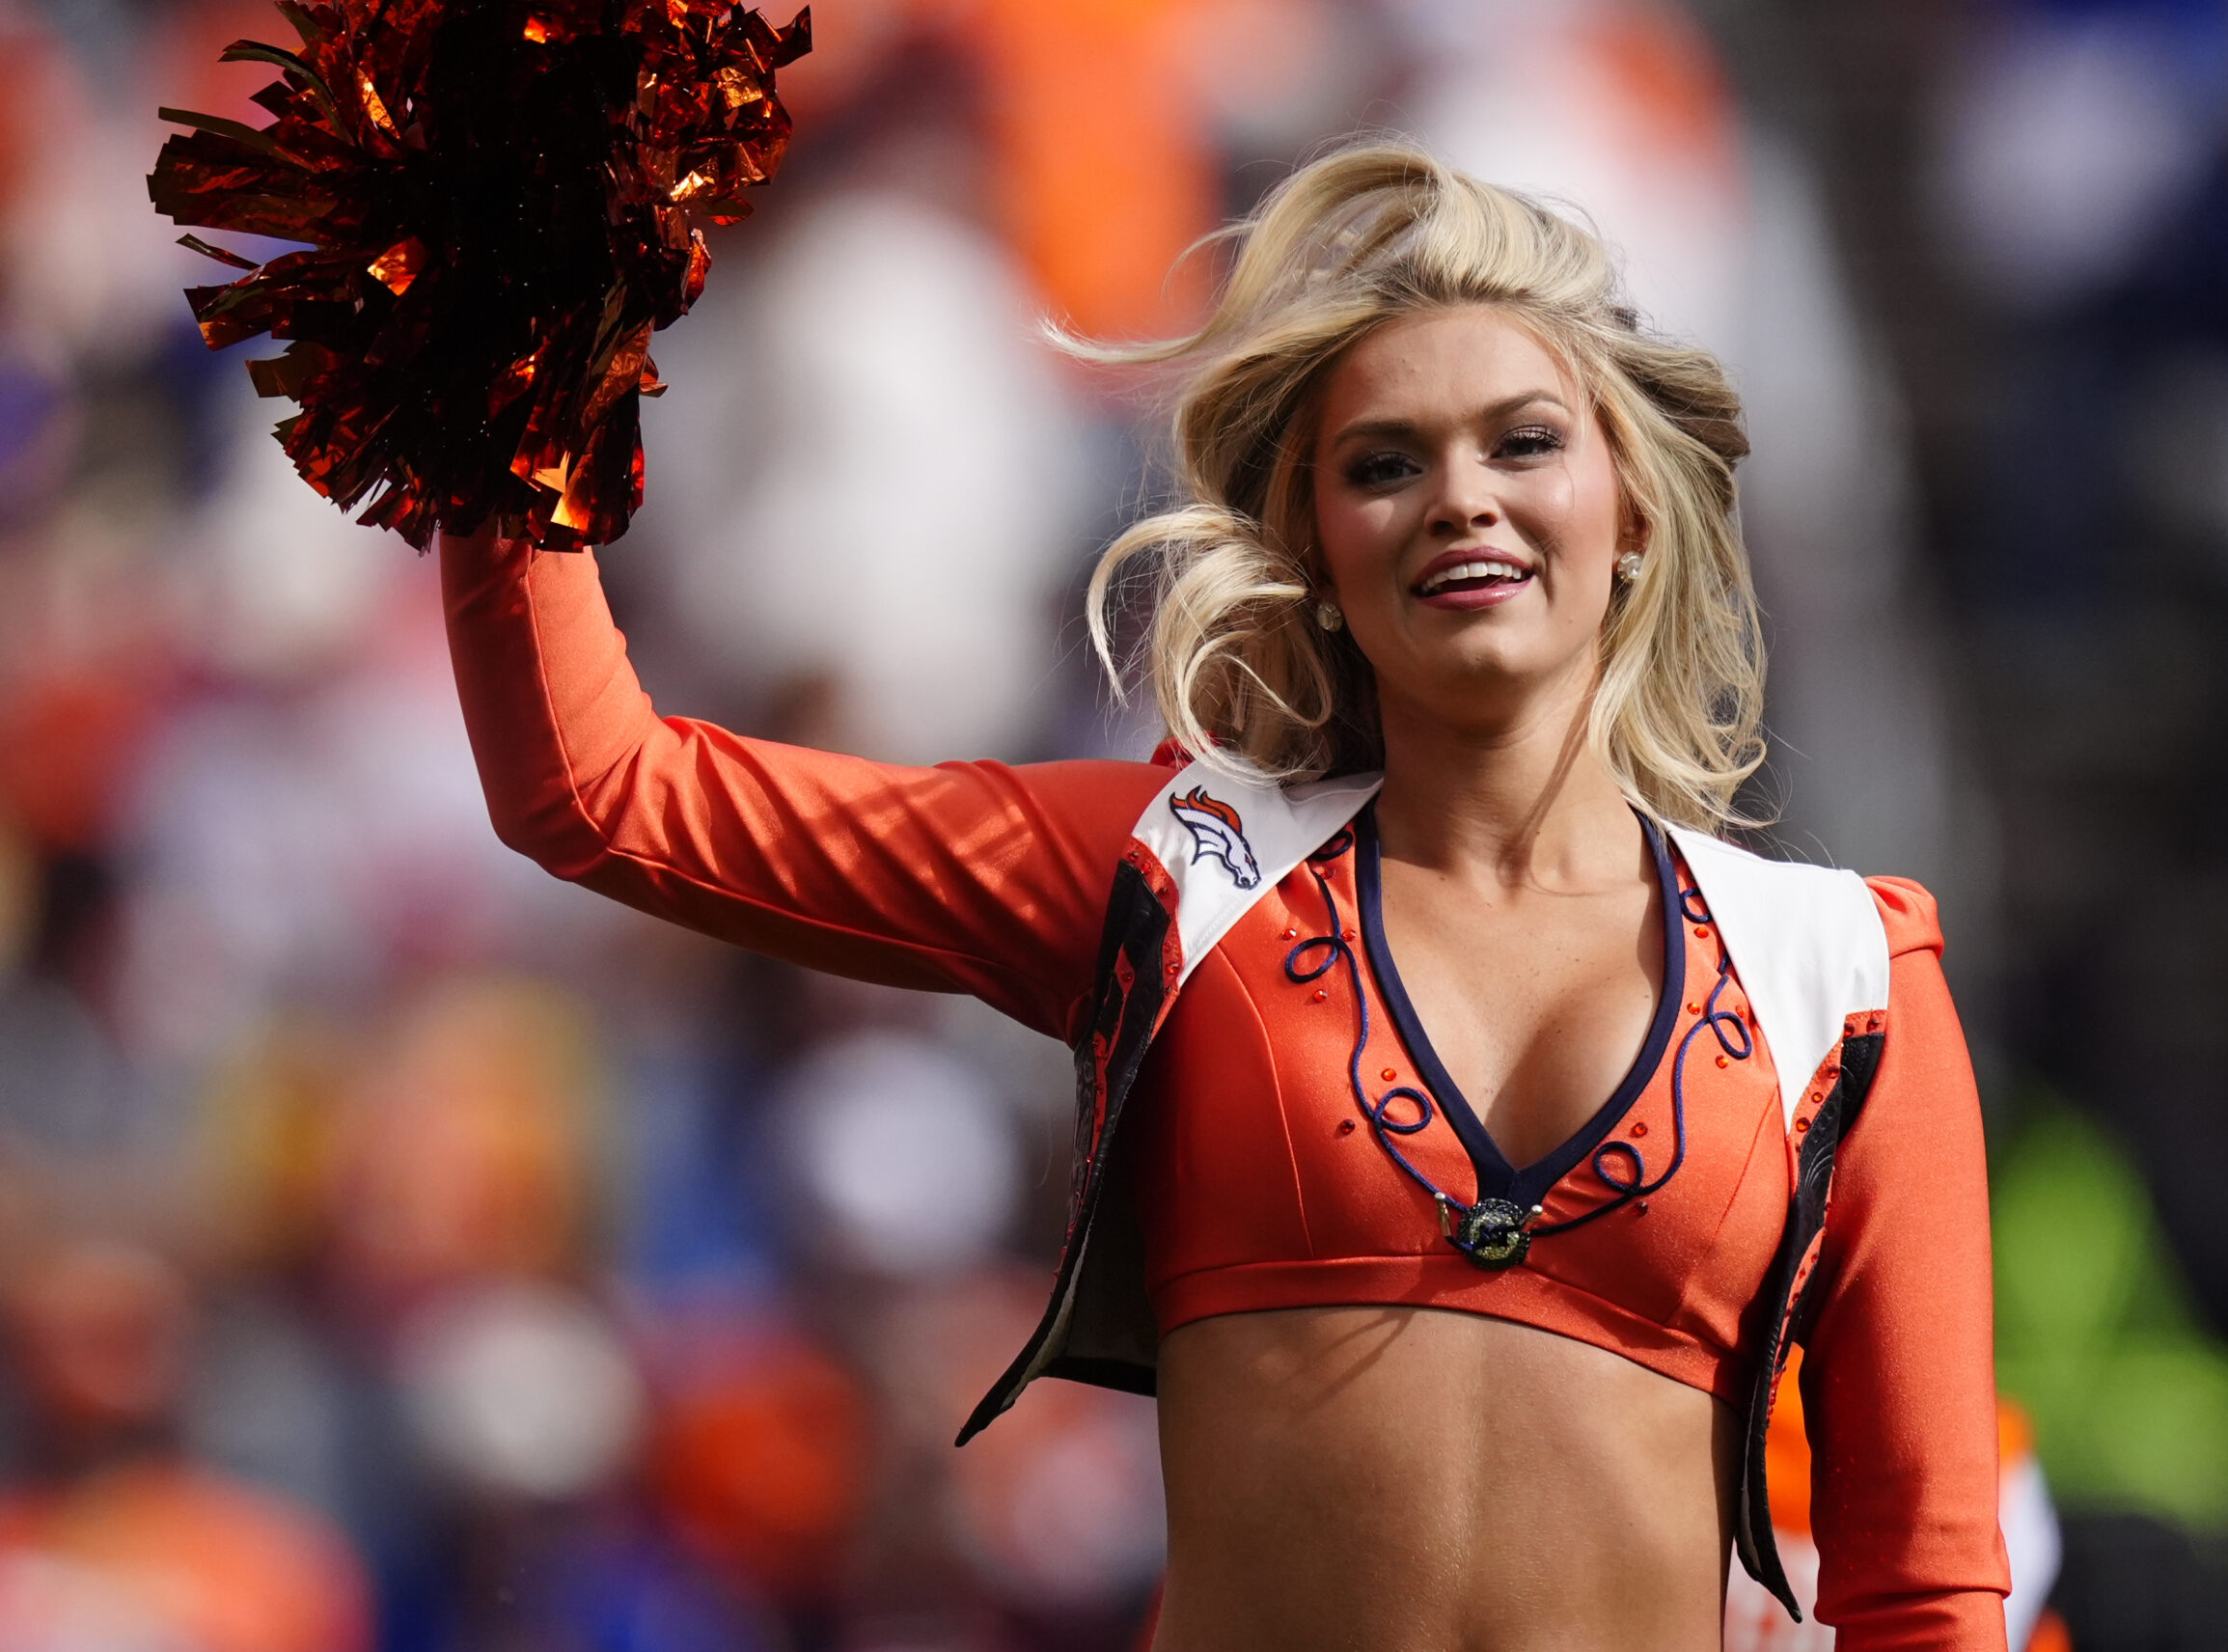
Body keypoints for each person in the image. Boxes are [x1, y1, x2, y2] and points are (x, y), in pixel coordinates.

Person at [439, 143, 2006, 1650]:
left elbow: (1927, 1583)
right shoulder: (1178, 876)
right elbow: (599, 792)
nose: (1462, 497)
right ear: (1317, 550)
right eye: (1384, 465)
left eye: (1526, 441)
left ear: (1635, 508)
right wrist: (513, 340)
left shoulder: (1847, 974)